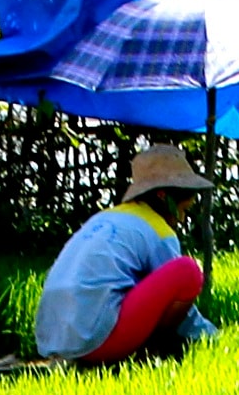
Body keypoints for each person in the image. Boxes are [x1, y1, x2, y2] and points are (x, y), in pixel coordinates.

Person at [33, 139, 214, 368]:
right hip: (99, 339)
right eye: (183, 209)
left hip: (56, 339)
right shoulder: (158, 230)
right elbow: (181, 308)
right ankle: (150, 353)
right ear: (162, 196)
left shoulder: (105, 218)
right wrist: (213, 337)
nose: (183, 217)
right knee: (187, 272)